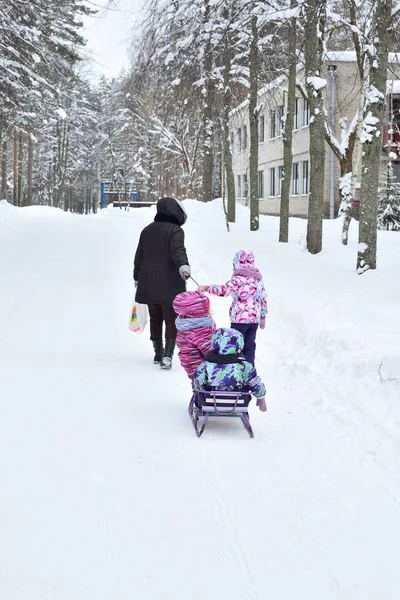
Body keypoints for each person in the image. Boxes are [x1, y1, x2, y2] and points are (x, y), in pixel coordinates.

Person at [134, 197, 190, 370]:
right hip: (170, 281)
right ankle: (167, 355)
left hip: (148, 279)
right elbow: (177, 250)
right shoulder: (175, 231)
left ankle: (157, 352)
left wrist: (137, 277)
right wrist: (183, 266)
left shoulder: (147, 230)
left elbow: (139, 256)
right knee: (171, 318)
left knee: (155, 317)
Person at [198, 250, 267, 366]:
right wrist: (263, 316)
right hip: (254, 319)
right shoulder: (258, 280)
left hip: (240, 319)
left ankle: (235, 368)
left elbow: (224, 290)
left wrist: (207, 288)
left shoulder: (238, 279)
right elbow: (263, 299)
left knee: (236, 345)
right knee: (250, 345)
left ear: (236, 263)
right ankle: (249, 369)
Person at [192, 327, 266, 412]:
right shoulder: (244, 365)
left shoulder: (207, 364)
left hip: (210, 402)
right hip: (239, 402)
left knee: (200, 382)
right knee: (246, 383)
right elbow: (254, 382)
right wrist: (261, 397)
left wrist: (197, 389)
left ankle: (200, 401)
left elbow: (198, 379)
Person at [172, 290, 215, 379]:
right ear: (197, 310)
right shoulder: (198, 330)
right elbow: (211, 352)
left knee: (198, 390)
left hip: (193, 367)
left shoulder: (187, 324)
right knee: (204, 391)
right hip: (202, 371)